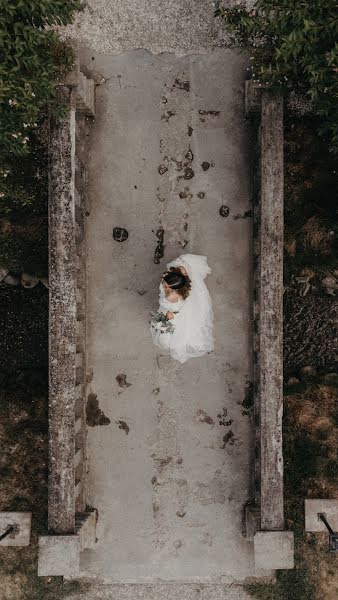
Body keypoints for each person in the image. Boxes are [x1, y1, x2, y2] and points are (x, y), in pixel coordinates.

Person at [150, 254, 214, 363]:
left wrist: (169, 317)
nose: (163, 285)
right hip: (175, 306)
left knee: (172, 333)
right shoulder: (179, 284)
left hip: (172, 312)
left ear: (173, 289)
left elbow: (175, 310)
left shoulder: (170, 297)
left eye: (165, 286)